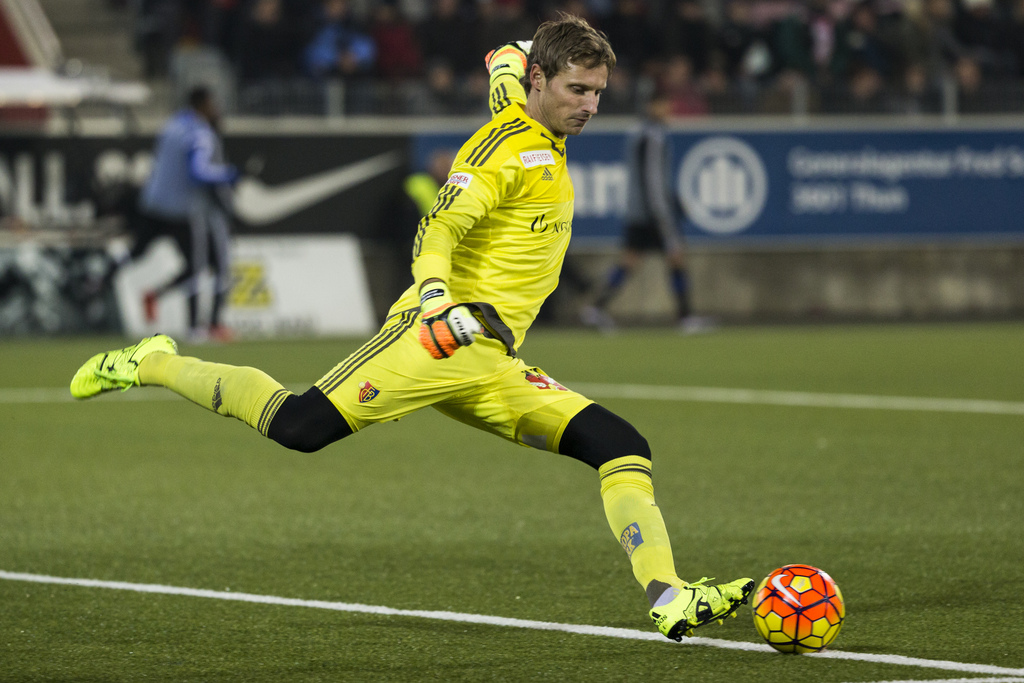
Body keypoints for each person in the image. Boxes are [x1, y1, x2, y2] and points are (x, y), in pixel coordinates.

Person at [69, 16, 753, 641]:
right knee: (300, 426)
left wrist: (522, 52)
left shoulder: (526, 95)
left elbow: (504, 57)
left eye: (599, 92)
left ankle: (667, 594)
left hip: (492, 360)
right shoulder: (503, 149)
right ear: (543, 82)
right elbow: (440, 227)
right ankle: (153, 361)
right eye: (578, 89)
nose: (591, 106)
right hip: (438, 336)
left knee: (620, 446)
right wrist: (432, 299)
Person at [581, 91, 711, 333]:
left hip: (637, 211)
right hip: (653, 213)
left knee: (629, 260)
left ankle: (596, 308)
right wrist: (666, 211)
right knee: (676, 258)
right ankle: (685, 316)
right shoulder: (654, 136)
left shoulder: (636, 132)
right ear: (652, 106)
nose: (668, 110)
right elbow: (653, 178)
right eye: (663, 104)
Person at [126, 86, 237, 343]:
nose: (216, 110)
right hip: (196, 212)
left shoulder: (174, 126)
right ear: (204, 105)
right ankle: (208, 325)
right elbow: (201, 173)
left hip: (175, 208)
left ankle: (192, 319)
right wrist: (230, 177)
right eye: (213, 104)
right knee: (212, 268)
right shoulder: (200, 133)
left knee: (196, 268)